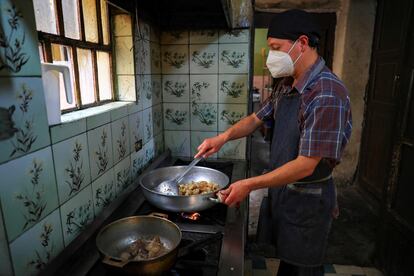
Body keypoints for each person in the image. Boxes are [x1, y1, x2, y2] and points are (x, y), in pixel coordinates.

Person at [195, 9, 352, 276]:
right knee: (289, 265)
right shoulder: (287, 85)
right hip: (285, 191)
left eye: (276, 48)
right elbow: (256, 118)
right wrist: (222, 138)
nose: (271, 57)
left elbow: (306, 165)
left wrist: (250, 184)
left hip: (307, 201)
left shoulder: (326, 93)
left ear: (302, 43)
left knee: (304, 269)